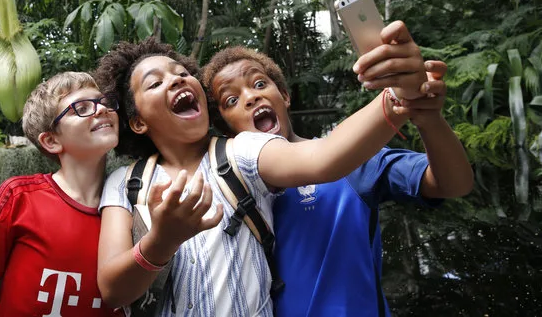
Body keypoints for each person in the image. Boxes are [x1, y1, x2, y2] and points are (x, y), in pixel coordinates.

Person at [94, 21, 432, 316]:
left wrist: (397, 95)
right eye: (155, 83)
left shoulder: (242, 150)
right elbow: (112, 292)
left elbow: (324, 158)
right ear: (137, 122)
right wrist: (161, 241)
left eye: (183, 74)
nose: (177, 81)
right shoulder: (124, 184)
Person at [200, 26, 473, 317]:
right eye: (231, 100)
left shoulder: (353, 161)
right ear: (227, 130)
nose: (250, 98)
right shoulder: (233, 193)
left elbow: (452, 184)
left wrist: (428, 118)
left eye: (258, 84)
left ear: (284, 95)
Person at [0, 72, 124, 317]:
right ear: (51, 141)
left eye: (103, 102)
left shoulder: (132, 203)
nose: (101, 110)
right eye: (81, 107)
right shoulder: (19, 198)